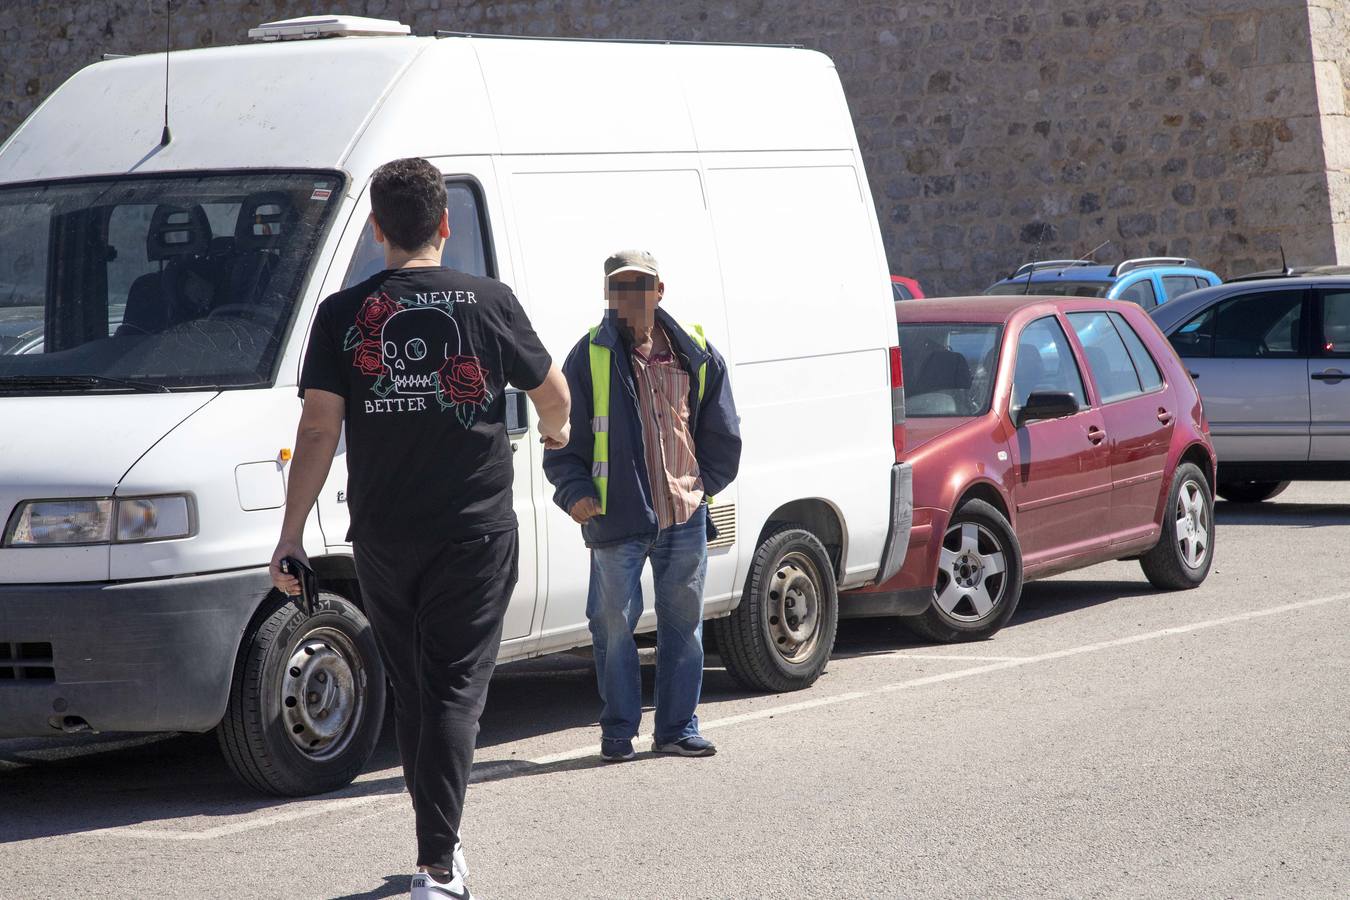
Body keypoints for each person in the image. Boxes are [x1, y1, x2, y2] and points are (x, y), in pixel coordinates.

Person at [270, 157, 570, 900]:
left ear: (376, 231)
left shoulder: (343, 314)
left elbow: (316, 428)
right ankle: (439, 865)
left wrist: (291, 533)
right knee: (454, 692)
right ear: (444, 224)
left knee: (416, 690)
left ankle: (439, 848)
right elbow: (553, 392)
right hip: (472, 530)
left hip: (383, 535)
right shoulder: (488, 300)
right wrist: (558, 434)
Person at [543, 249, 741, 762]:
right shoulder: (587, 356)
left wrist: (703, 485)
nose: (630, 296)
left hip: (683, 512)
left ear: (659, 291)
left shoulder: (693, 350)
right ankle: (617, 734)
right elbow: (562, 438)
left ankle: (677, 728)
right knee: (610, 624)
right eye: (619, 286)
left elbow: (722, 426)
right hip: (617, 518)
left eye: (640, 285)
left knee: (684, 626)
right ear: (608, 295)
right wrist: (575, 493)